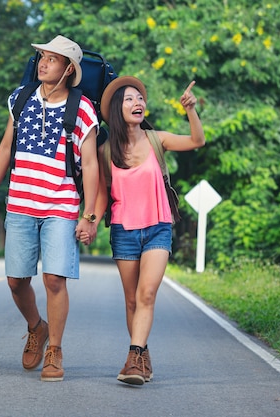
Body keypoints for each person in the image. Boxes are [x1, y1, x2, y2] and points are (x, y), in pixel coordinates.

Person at [0, 35, 100, 382]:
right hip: (20, 202)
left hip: (61, 204)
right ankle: (37, 327)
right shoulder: (21, 98)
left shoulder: (83, 108)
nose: (43, 63)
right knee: (16, 281)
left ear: (68, 69)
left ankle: (55, 351)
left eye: (52, 59)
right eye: (42, 57)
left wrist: (88, 215)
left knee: (54, 280)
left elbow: (90, 165)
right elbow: (5, 148)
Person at [94, 76, 205, 385]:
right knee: (132, 301)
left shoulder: (157, 139)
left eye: (139, 98)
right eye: (129, 99)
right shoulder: (106, 152)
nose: (137, 103)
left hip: (158, 227)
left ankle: (132, 360)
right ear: (118, 109)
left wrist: (191, 111)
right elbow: (103, 193)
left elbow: (197, 141)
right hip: (123, 231)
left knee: (147, 294)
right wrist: (89, 220)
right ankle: (142, 356)